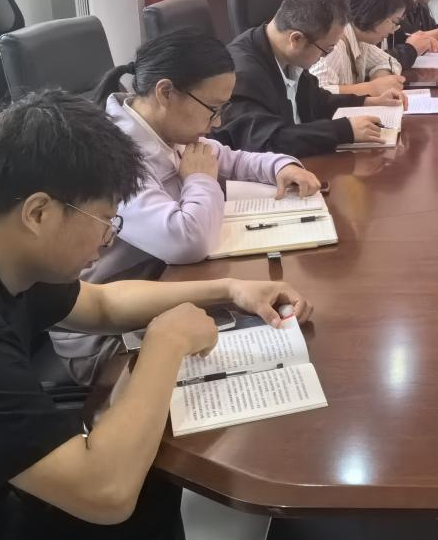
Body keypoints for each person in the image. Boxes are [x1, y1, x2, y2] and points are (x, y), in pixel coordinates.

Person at [0, 90, 313, 540]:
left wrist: (230, 290)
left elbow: (101, 303)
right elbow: (105, 493)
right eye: (104, 221)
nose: (107, 241)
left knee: (152, 481)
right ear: (39, 213)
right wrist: (165, 342)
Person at [45, 29, 322, 384]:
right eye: (213, 109)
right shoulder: (115, 153)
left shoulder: (165, 129)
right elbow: (185, 241)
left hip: (161, 289)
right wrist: (200, 180)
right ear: (166, 93)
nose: (218, 122)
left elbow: (228, 157)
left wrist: (281, 166)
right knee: (263, 366)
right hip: (104, 334)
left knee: (281, 334)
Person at [217, 0, 400, 157]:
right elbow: (267, 142)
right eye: (326, 50)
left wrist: (367, 102)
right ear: (296, 39)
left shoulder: (287, 55)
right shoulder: (241, 74)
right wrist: (343, 130)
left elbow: (316, 100)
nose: (325, 56)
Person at [310, 0, 411, 95]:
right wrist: (371, 88)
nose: (392, 30)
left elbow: (389, 62)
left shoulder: (361, 39)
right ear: (376, 13)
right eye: (394, 22)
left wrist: (380, 81)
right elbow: (316, 92)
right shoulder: (335, 45)